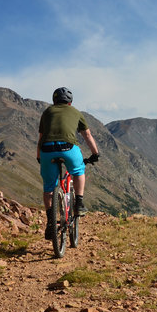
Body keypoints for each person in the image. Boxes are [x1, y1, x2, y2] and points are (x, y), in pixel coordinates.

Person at [37, 87, 99, 226]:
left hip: (46, 150)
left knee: (48, 187)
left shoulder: (47, 112)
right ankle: (79, 204)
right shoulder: (76, 112)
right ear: (70, 102)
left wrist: (39, 157)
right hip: (68, 148)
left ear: (54, 101)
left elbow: (41, 137)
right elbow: (87, 135)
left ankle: (50, 223)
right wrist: (95, 154)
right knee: (78, 171)